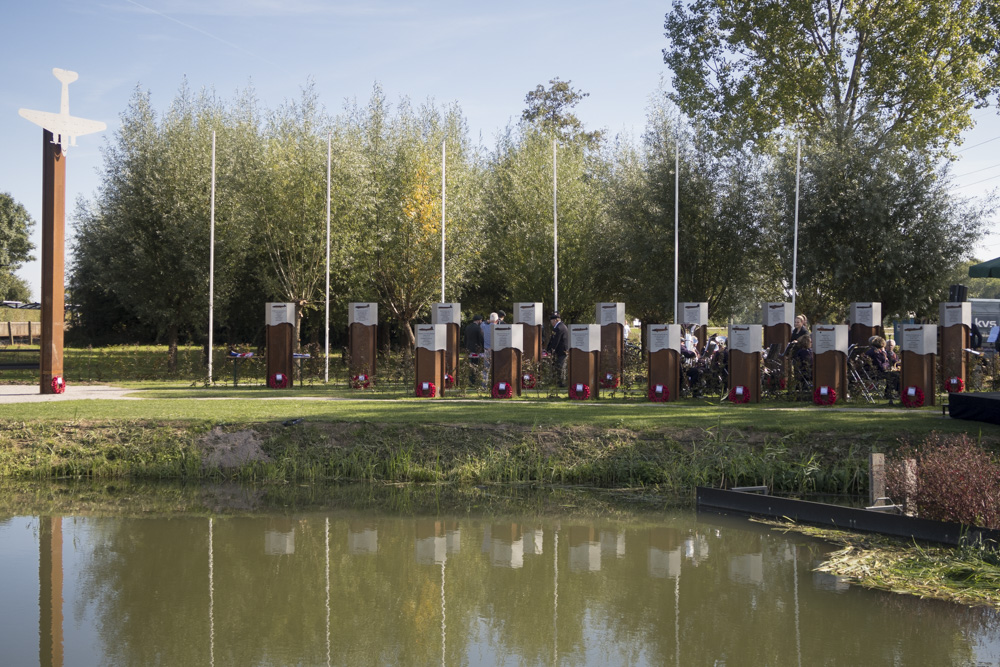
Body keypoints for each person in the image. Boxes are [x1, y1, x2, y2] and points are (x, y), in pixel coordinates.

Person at [546, 311, 568, 386]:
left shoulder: (559, 327)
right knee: (558, 366)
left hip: (561, 351)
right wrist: (548, 349)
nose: (551, 322)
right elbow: (552, 339)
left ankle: (561, 383)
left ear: (555, 320)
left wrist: (550, 351)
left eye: (551, 320)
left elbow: (556, 341)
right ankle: (558, 382)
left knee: (560, 367)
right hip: (560, 351)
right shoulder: (558, 327)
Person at [465, 314, 485, 385]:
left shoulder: (468, 327)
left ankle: (471, 380)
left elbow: (465, 338)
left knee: (470, 365)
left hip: (469, 349)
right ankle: (476, 381)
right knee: (476, 365)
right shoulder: (478, 328)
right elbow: (481, 339)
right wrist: (483, 347)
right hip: (476, 350)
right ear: (478, 320)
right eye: (481, 320)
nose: (481, 322)